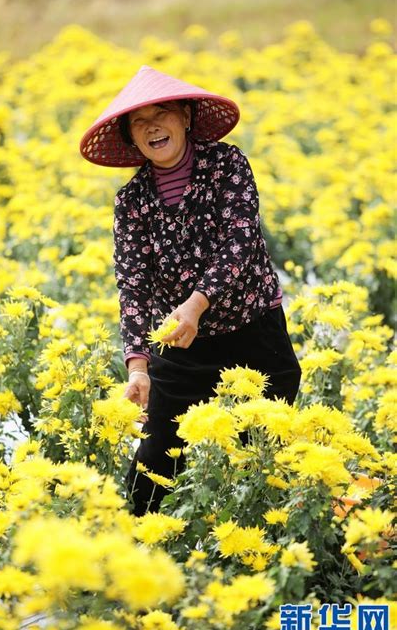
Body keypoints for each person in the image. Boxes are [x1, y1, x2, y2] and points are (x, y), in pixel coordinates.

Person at [80, 65, 301, 516]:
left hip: (252, 332)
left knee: (259, 452)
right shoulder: (132, 200)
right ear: (132, 139)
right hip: (181, 343)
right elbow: (134, 285)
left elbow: (240, 243)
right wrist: (138, 368)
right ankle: (137, 550)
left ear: (184, 116)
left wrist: (196, 304)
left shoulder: (228, 165)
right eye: (139, 123)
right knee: (154, 460)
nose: (152, 127)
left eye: (162, 113)